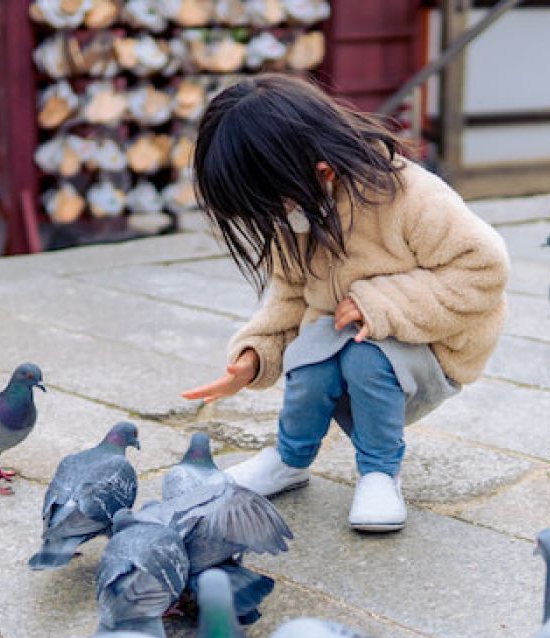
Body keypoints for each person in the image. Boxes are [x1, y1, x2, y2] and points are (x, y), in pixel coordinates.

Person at [181, 74, 509, 532]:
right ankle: (289, 459)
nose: (272, 217)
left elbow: (484, 267)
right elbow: (292, 294)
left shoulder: (411, 196)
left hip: (433, 348)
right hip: (345, 338)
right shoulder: (294, 211)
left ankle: (379, 472)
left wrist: (381, 303)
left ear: (321, 171)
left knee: (363, 357)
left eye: (270, 202)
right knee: (309, 359)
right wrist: (257, 354)